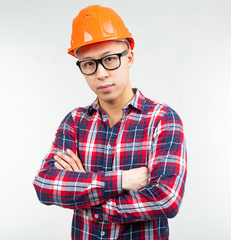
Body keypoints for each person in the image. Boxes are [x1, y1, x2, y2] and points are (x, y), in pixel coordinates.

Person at [33, 4, 187, 240]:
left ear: (129, 58)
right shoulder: (74, 122)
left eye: (110, 59)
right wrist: (124, 180)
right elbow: (44, 185)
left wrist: (84, 191)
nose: (101, 73)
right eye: (89, 64)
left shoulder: (162, 119)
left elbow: (166, 198)